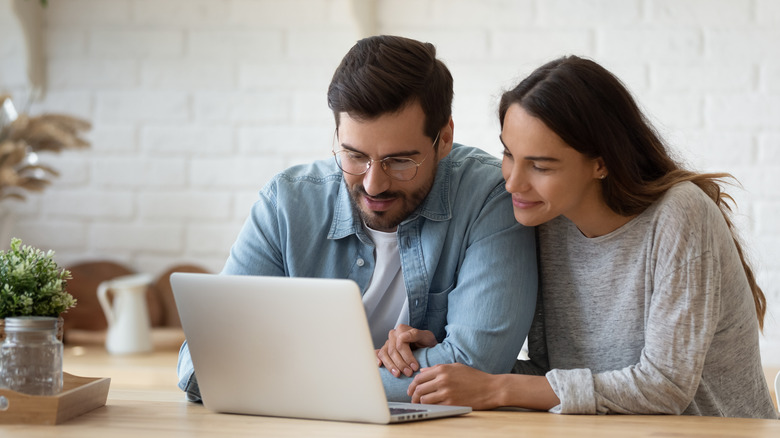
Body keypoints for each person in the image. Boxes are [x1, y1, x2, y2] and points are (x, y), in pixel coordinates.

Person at [400, 55, 777, 418]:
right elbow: (560, 379)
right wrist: (452, 366)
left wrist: (498, 389)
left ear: (601, 163)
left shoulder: (680, 215)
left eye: (541, 165)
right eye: (509, 154)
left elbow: (664, 386)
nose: (512, 181)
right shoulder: (547, 221)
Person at [176, 35, 538, 403]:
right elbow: (201, 364)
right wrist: (363, 368)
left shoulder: (489, 196)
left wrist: (284, 374)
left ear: (443, 139)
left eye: (399, 161)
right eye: (354, 155)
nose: (374, 184)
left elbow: (477, 367)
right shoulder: (286, 204)